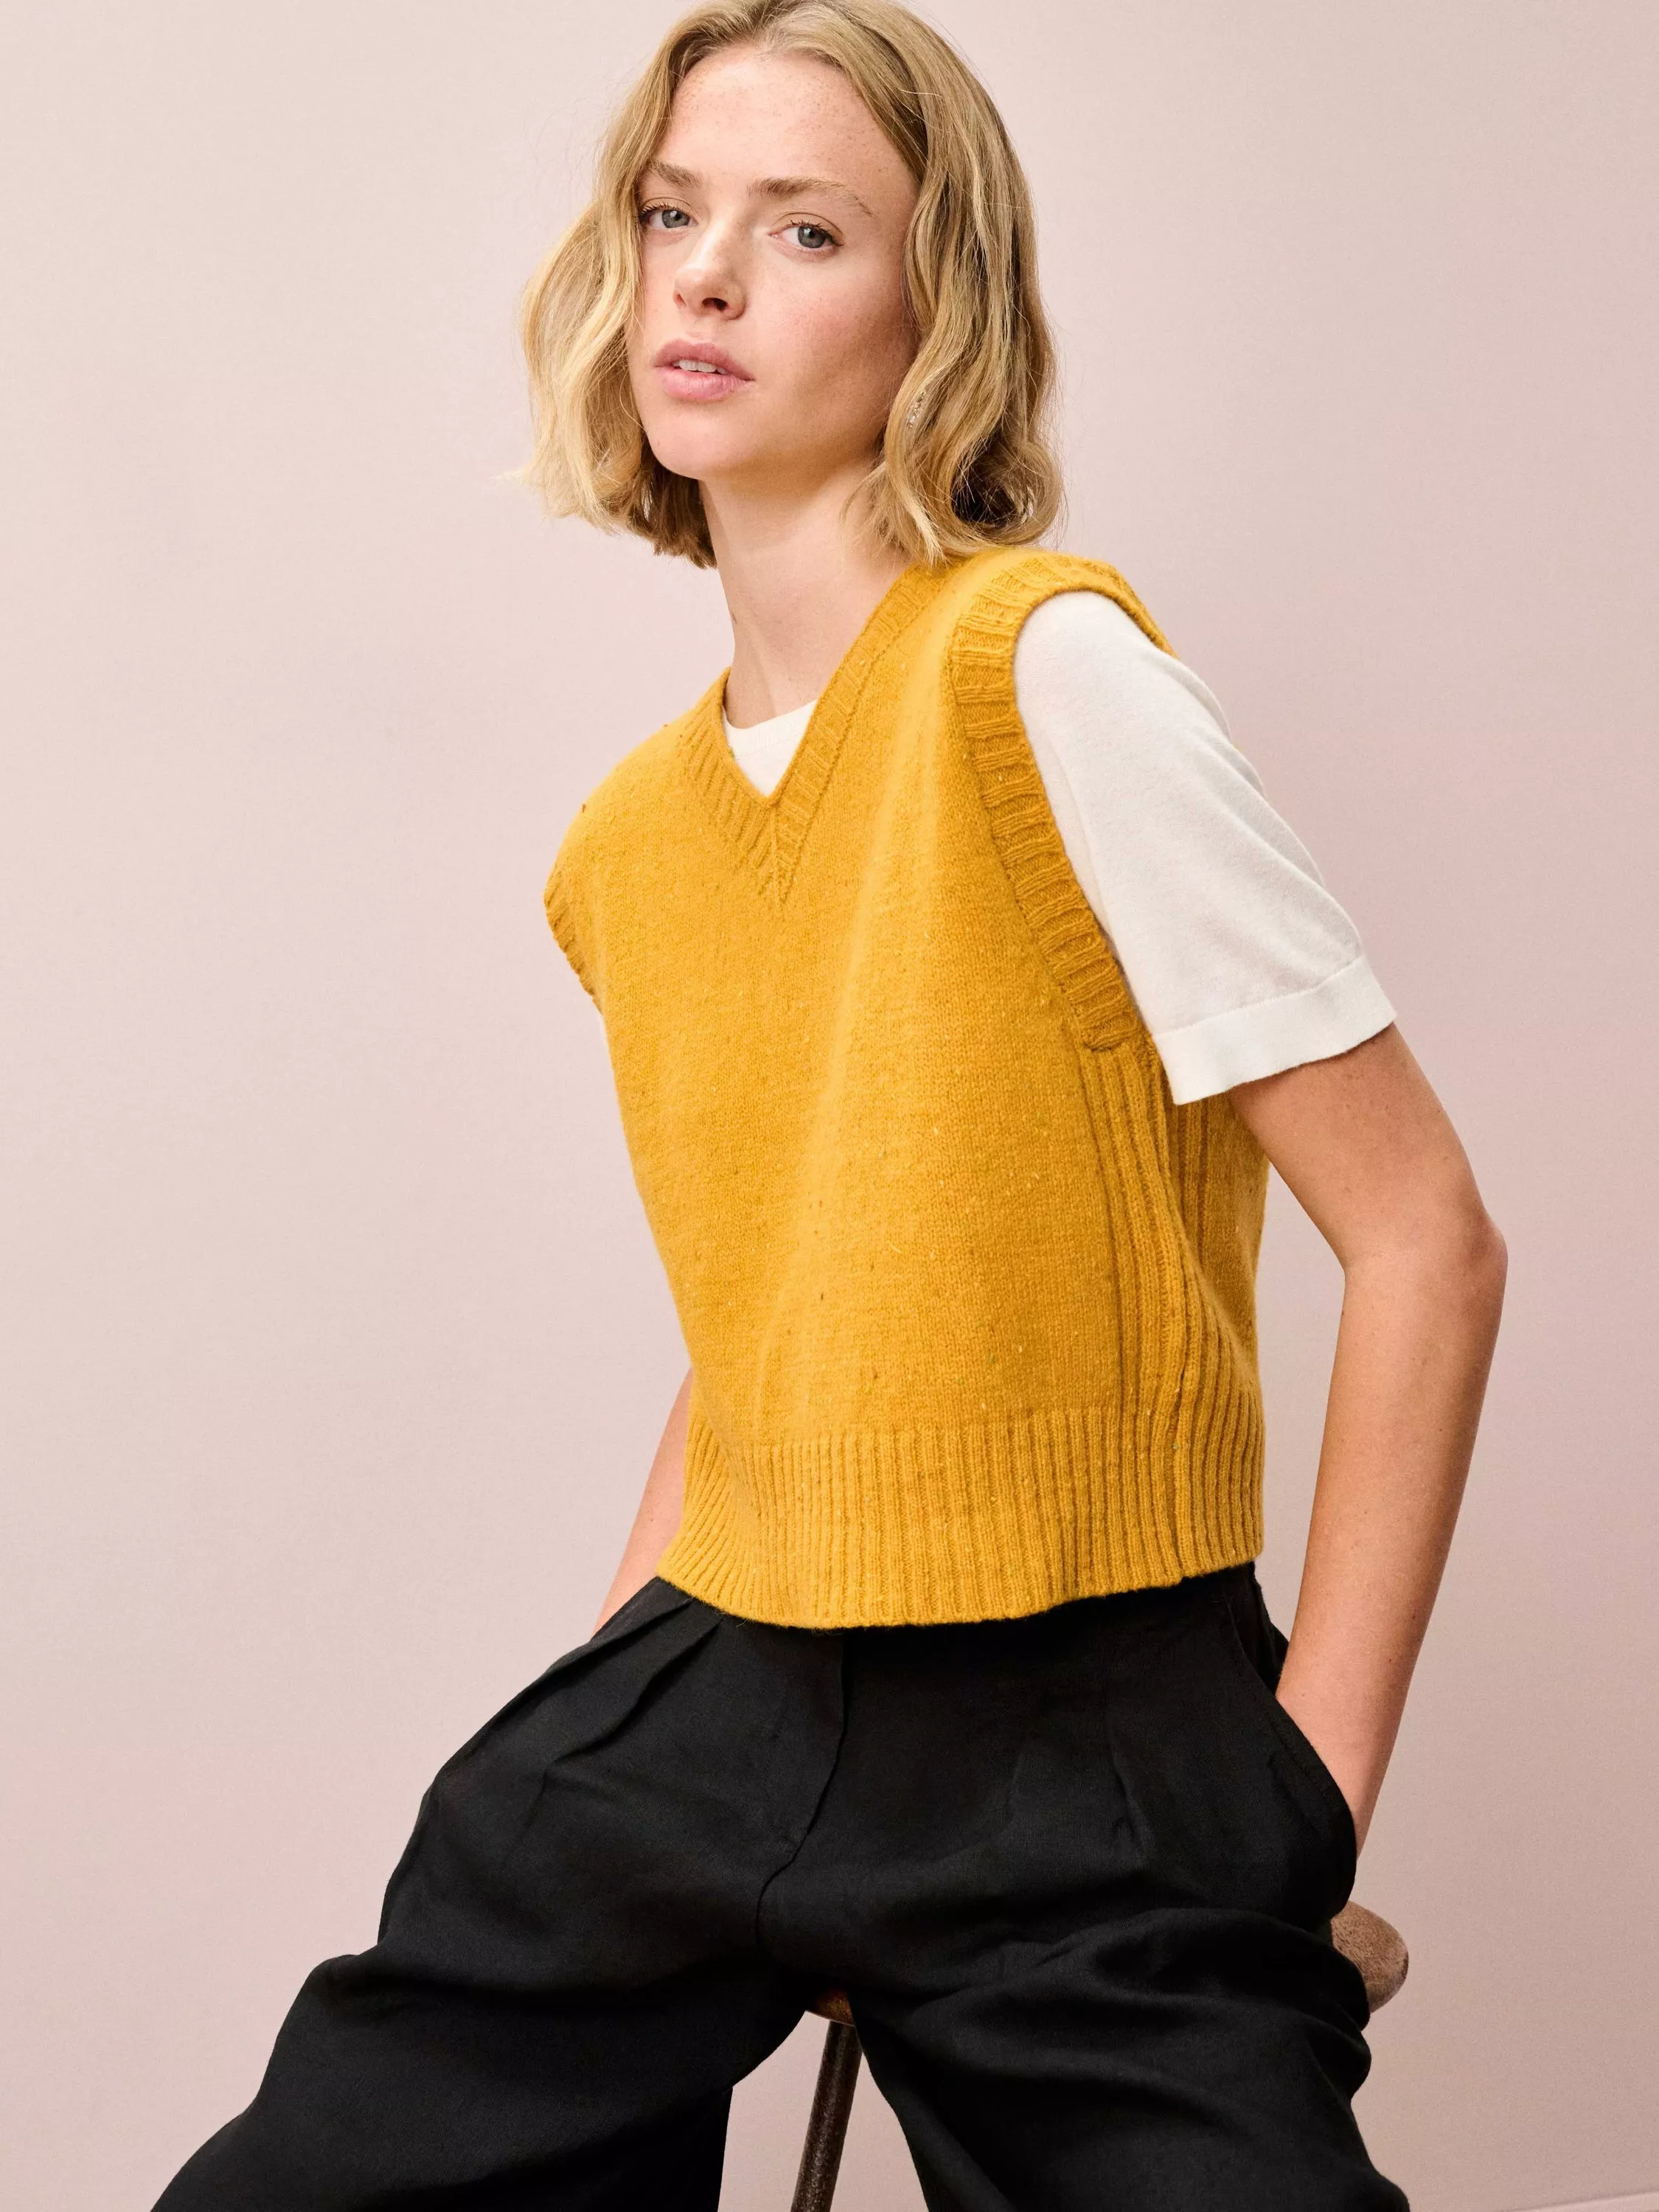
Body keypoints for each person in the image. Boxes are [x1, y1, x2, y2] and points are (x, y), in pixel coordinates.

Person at [153, 3, 1506, 2206]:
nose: (704, 275)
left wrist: (1306, 1808)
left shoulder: (1048, 678)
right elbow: (764, 1321)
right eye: (670, 213)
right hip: (723, 1688)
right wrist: (608, 1694)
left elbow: (1430, 1240)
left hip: (1083, 1730)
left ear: (932, 306)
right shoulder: (628, 844)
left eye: (803, 230)